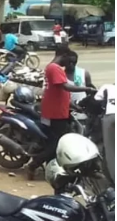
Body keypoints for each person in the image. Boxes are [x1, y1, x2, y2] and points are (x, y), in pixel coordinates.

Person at [26, 51, 96, 179]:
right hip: (56, 113)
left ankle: (50, 168)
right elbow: (66, 87)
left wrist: (75, 107)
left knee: (52, 142)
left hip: (57, 110)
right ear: (63, 56)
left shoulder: (53, 68)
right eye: (69, 61)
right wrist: (87, 89)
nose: (70, 64)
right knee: (57, 144)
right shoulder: (55, 68)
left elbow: (60, 93)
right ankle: (34, 164)